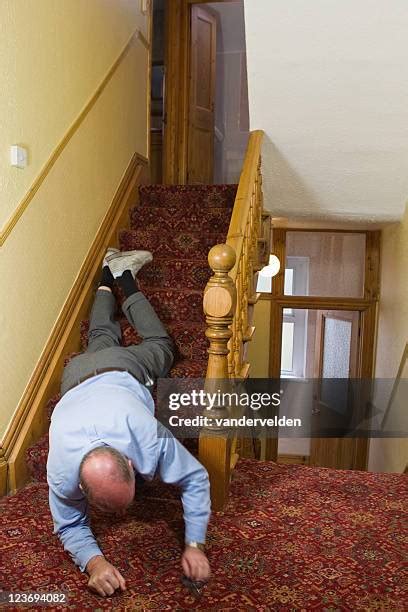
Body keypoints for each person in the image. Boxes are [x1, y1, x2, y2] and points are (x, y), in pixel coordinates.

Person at [46, 248, 211, 597]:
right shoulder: (61, 471)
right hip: (75, 374)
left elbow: (195, 477)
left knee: (162, 347)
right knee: (115, 340)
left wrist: (195, 543)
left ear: (132, 461)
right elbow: (69, 523)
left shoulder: (145, 434)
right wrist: (94, 561)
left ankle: (120, 276)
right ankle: (114, 275)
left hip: (112, 369)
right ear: (79, 487)